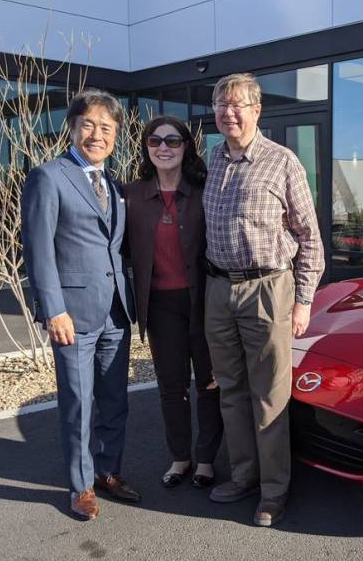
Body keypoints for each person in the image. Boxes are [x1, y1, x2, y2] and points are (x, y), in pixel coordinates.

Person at [202, 73, 324, 527]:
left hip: (269, 289)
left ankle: (274, 491)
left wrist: (304, 300)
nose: (228, 113)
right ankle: (242, 476)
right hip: (219, 288)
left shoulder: (282, 162)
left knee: (270, 394)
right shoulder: (212, 159)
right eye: (220, 105)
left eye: (237, 105)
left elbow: (309, 237)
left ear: (257, 111)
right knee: (230, 390)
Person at [21, 89, 139, 520]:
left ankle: (109, 471)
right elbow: (38, 249)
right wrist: (52, 309)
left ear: (115, 136)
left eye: (106, 128)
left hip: (115, 312)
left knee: (115, 400)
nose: (97, 134)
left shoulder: (113, 183)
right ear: (72, 128)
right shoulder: (48, 177)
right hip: (71, 314)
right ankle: (81, 486)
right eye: (88, 124)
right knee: (78, 403)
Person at [123, 116, 223, 488]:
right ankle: (180, 459)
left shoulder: (205, 189)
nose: (163, 147)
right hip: (161, 306)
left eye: (173, 140)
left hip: (204, 302)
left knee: (209, 384)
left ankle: (207, 460)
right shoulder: (131, 195)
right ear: (146, 148)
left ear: (186, 147)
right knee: (171, 386)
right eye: (155, 141)